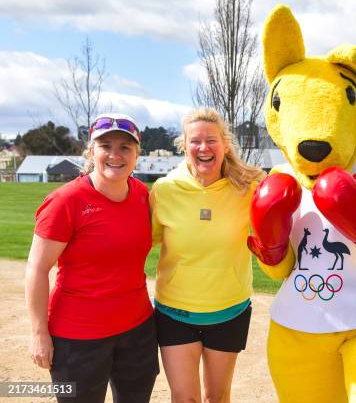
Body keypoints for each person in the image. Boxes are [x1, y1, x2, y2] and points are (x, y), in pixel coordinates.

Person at [25, 113, 158, 403]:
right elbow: (37, 269)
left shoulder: (143, 195)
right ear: (91, 151)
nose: (115, 154)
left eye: (125, 147)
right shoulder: (66, 201)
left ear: (137, 154)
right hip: (77, 337)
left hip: (137, 331)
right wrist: (39, 333)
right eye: (105, 145)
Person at [150, 107, 264, 403]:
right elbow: (139, 245)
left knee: (217, 397)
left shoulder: (249, 188)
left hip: (230, 310)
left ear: (225, 145)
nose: (203, 148)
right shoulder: (164, 190)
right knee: (185, 398)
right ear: (184, 147)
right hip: (175, 312)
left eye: (211, 140)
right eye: (195, 141)